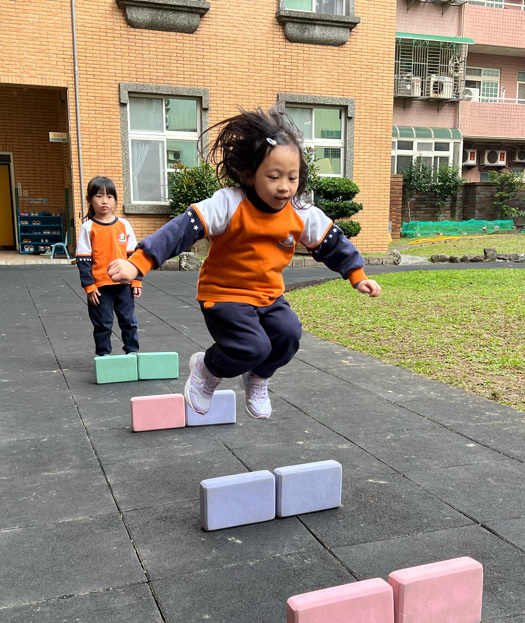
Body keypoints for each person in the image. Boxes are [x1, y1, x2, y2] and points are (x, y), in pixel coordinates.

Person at [107, 105, 381, 420]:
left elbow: (332, 242)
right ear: (250, 175)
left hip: (268, 296)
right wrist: (139, 262)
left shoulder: (301, 213)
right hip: (224, 294)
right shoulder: (229, 203)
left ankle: (258, 377)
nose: (284, 186)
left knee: (288, 335)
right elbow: (183, 229)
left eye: (292, 178)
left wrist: (357, 275)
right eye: (274, 177)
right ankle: (207, 369)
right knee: (252, 346)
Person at [76, 176, 142, 357]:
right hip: (100, 288)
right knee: (103, 324)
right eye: (99, 196)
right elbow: (83, 260)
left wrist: (136, 280)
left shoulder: (124, 225)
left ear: (115, 200)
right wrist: (89, 286)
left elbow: (134, 256)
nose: (104, 201)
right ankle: (104, 357)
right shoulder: (88, 228)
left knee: (129, 321)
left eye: (109, 196)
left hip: (124, 285)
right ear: (90, 199)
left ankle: (132, 353)